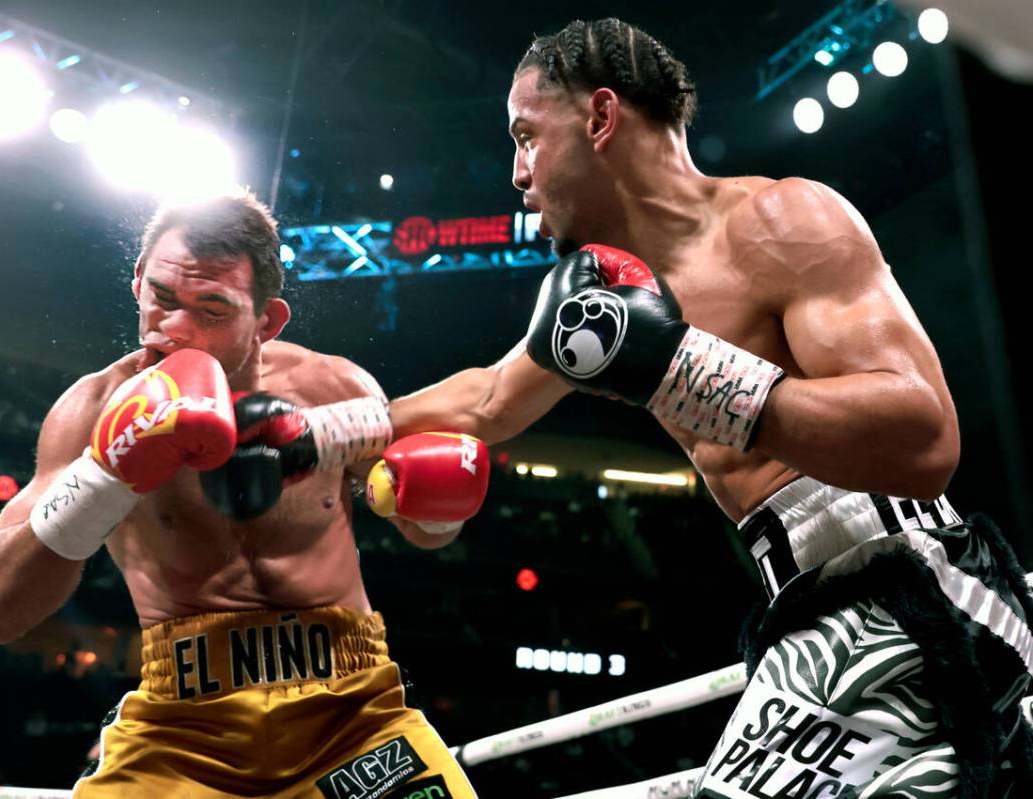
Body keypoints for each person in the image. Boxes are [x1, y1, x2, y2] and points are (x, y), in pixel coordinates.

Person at [274, 18, 1033, 798]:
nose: (516, 173)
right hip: (809, 607)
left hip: (908, 595)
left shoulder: (781, 221)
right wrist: (311, 436)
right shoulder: (605, 303)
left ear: (600, 118)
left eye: (527, 136)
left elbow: (923, 437)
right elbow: (489, 398)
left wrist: (680, 368)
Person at [0, 192, 488, 799]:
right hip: (180, 734)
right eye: (161, 296)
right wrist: (104, 476)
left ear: (267, 321)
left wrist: (439, 507)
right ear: (137, 282)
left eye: (212, 309)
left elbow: (425, 528)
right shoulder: (92, 411)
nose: (175, 328)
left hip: (353, 719)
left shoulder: (330, 387)